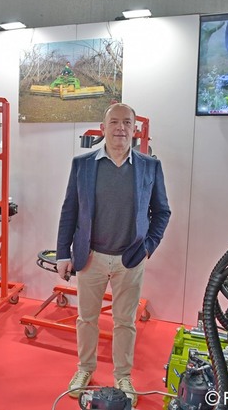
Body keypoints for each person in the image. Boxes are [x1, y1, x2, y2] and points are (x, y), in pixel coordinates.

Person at [56, 103, 171, 405]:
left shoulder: (149, 166)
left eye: (127, 123)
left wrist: (149, 246)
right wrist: (62, 253)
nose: (121, 128)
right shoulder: (82, 164)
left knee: (125, 322)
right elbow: (69, 211)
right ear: (103, 128)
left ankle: (122, 376)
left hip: (130, 259)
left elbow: (161, 211)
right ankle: (85, 369)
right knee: (86, 319)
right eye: (115, 122)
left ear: (135, 129)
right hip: (90, 257)